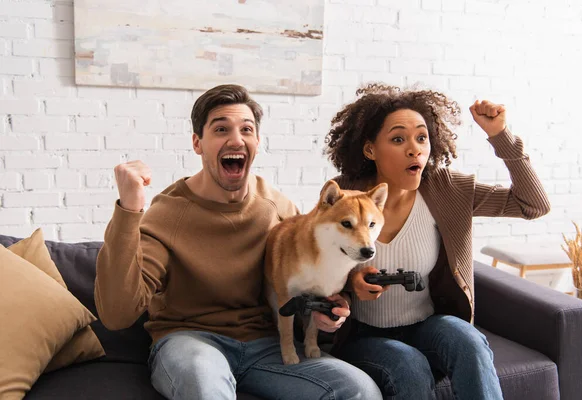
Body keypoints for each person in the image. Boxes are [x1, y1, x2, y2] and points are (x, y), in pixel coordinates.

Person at [94, 84, 383, 400]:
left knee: (358, 390)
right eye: (221, 129)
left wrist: (329, 307)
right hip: (190, 341)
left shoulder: (280, 209)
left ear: (257, 142)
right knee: (202, 382)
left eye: (246, 129)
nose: (236, 139)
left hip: (265, 346)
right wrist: (129, 210)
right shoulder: (166, 214)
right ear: (197, 143)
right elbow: (117, 313)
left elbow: (312, 275)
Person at [324, 83, 551, 399]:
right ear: (370, 150)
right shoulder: (343, 195)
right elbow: (314, 263)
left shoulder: (448, 189)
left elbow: (534, 204)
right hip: (363, 336)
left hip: (428, 325)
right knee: (408, 363)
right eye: (398, 139)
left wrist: (501, 136)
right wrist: (351, 281)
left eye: (421, 138)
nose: (414, 149)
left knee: (467, 340)